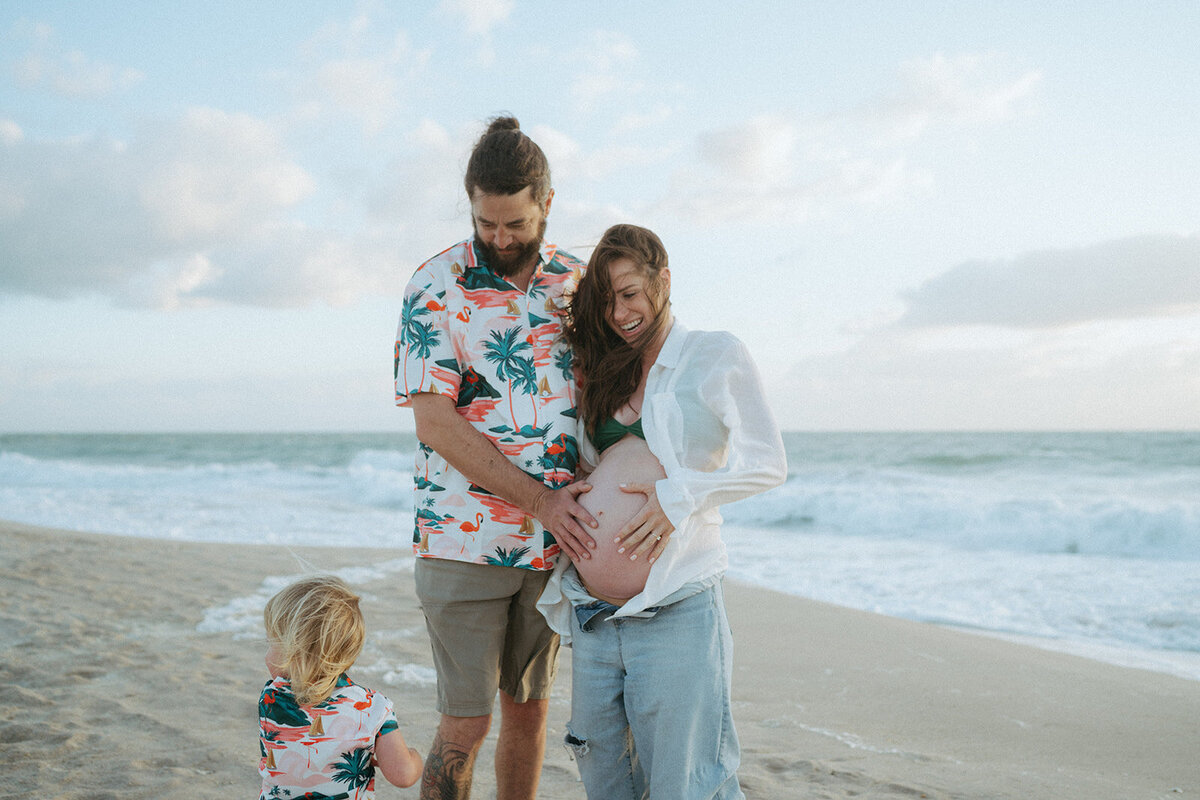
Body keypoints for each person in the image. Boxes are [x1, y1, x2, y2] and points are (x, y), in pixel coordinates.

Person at [393, 116, 606, 800]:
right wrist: (538, 498)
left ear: (547, 203)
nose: (500, 238)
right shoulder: (435, 285)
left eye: (514, 222)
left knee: (530, 711)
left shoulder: (580, 285)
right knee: (465, 723)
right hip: (463, 540)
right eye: (487, 222)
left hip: (555, 548)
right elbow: (435, 423)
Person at [537, 223, 788, 799]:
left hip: (674, 605)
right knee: (604, 777)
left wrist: (678, 498)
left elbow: (767, 463)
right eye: (606, 301)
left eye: (629, 293)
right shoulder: (607, 370)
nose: (620, 312)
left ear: (663, 280)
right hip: (595, 616)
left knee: (686, 782)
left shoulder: (713, 353)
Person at [258, 575, 423, 800]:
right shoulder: (373, 708)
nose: (266, 655)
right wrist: (415, 758)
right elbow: (402, 776)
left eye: (271, 644)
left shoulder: (270, 700)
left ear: (295, 652)